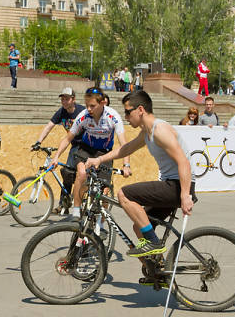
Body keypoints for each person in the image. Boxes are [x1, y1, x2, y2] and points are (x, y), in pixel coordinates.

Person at [85, 90, 195, 257]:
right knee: (139, 226)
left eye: (128, 112)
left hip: (178, 186)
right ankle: (157, 272)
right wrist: (99, 160)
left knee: (124, 194)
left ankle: (154, 242)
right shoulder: (147, 131)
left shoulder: (160, 130)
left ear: (140, 110)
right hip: (173, 185)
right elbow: (126, 148)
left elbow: (183, 162)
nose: (126, 117)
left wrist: (185, 195)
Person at [49, 87, 130, 221]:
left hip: (104, 153)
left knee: (104, 190)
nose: (89, 109)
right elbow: (68, 138)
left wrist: (126, 164)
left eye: (92, 106)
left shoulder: (113, 116)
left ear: (103, 103)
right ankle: (76, 211)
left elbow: (124, 144)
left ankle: (100, 224)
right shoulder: (84, 116)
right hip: (85, 149)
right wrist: (56, 156)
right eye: (87, 106)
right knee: (81, 173)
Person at [31, 87, 86, 214]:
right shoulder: (61, 112)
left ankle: (82, 203)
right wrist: (39, 142)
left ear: (73, 99)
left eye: (67, 99)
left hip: (87, 146)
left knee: (81, 175)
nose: (64, 101)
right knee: (67, 173)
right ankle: (63, 205)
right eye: (62, 99)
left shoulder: (81, 111)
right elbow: (49, 127)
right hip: (75, 146)